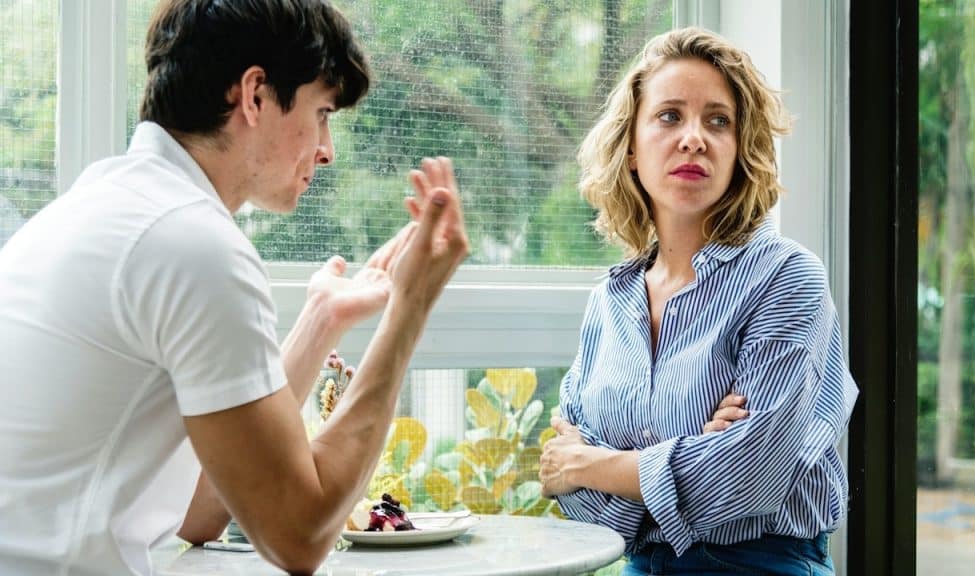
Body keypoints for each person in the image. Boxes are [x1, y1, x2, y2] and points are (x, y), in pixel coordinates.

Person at [0, 1, 468, 574]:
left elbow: (197, 510)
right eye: (321, 112)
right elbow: (298, 535)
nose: (327, 149)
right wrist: (410, 307)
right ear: (254, 95)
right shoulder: (192, 243)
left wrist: (322, 319)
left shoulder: (106, 204)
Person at [538, 27, 858, 575]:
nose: (694, 138)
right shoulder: (608, 303)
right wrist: (692, 455)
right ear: (632, 149)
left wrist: (600, 465)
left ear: (740, 150)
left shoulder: (787, 277)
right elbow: (570, 492)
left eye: (718, 120)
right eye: (668, 116)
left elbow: (751, 477)